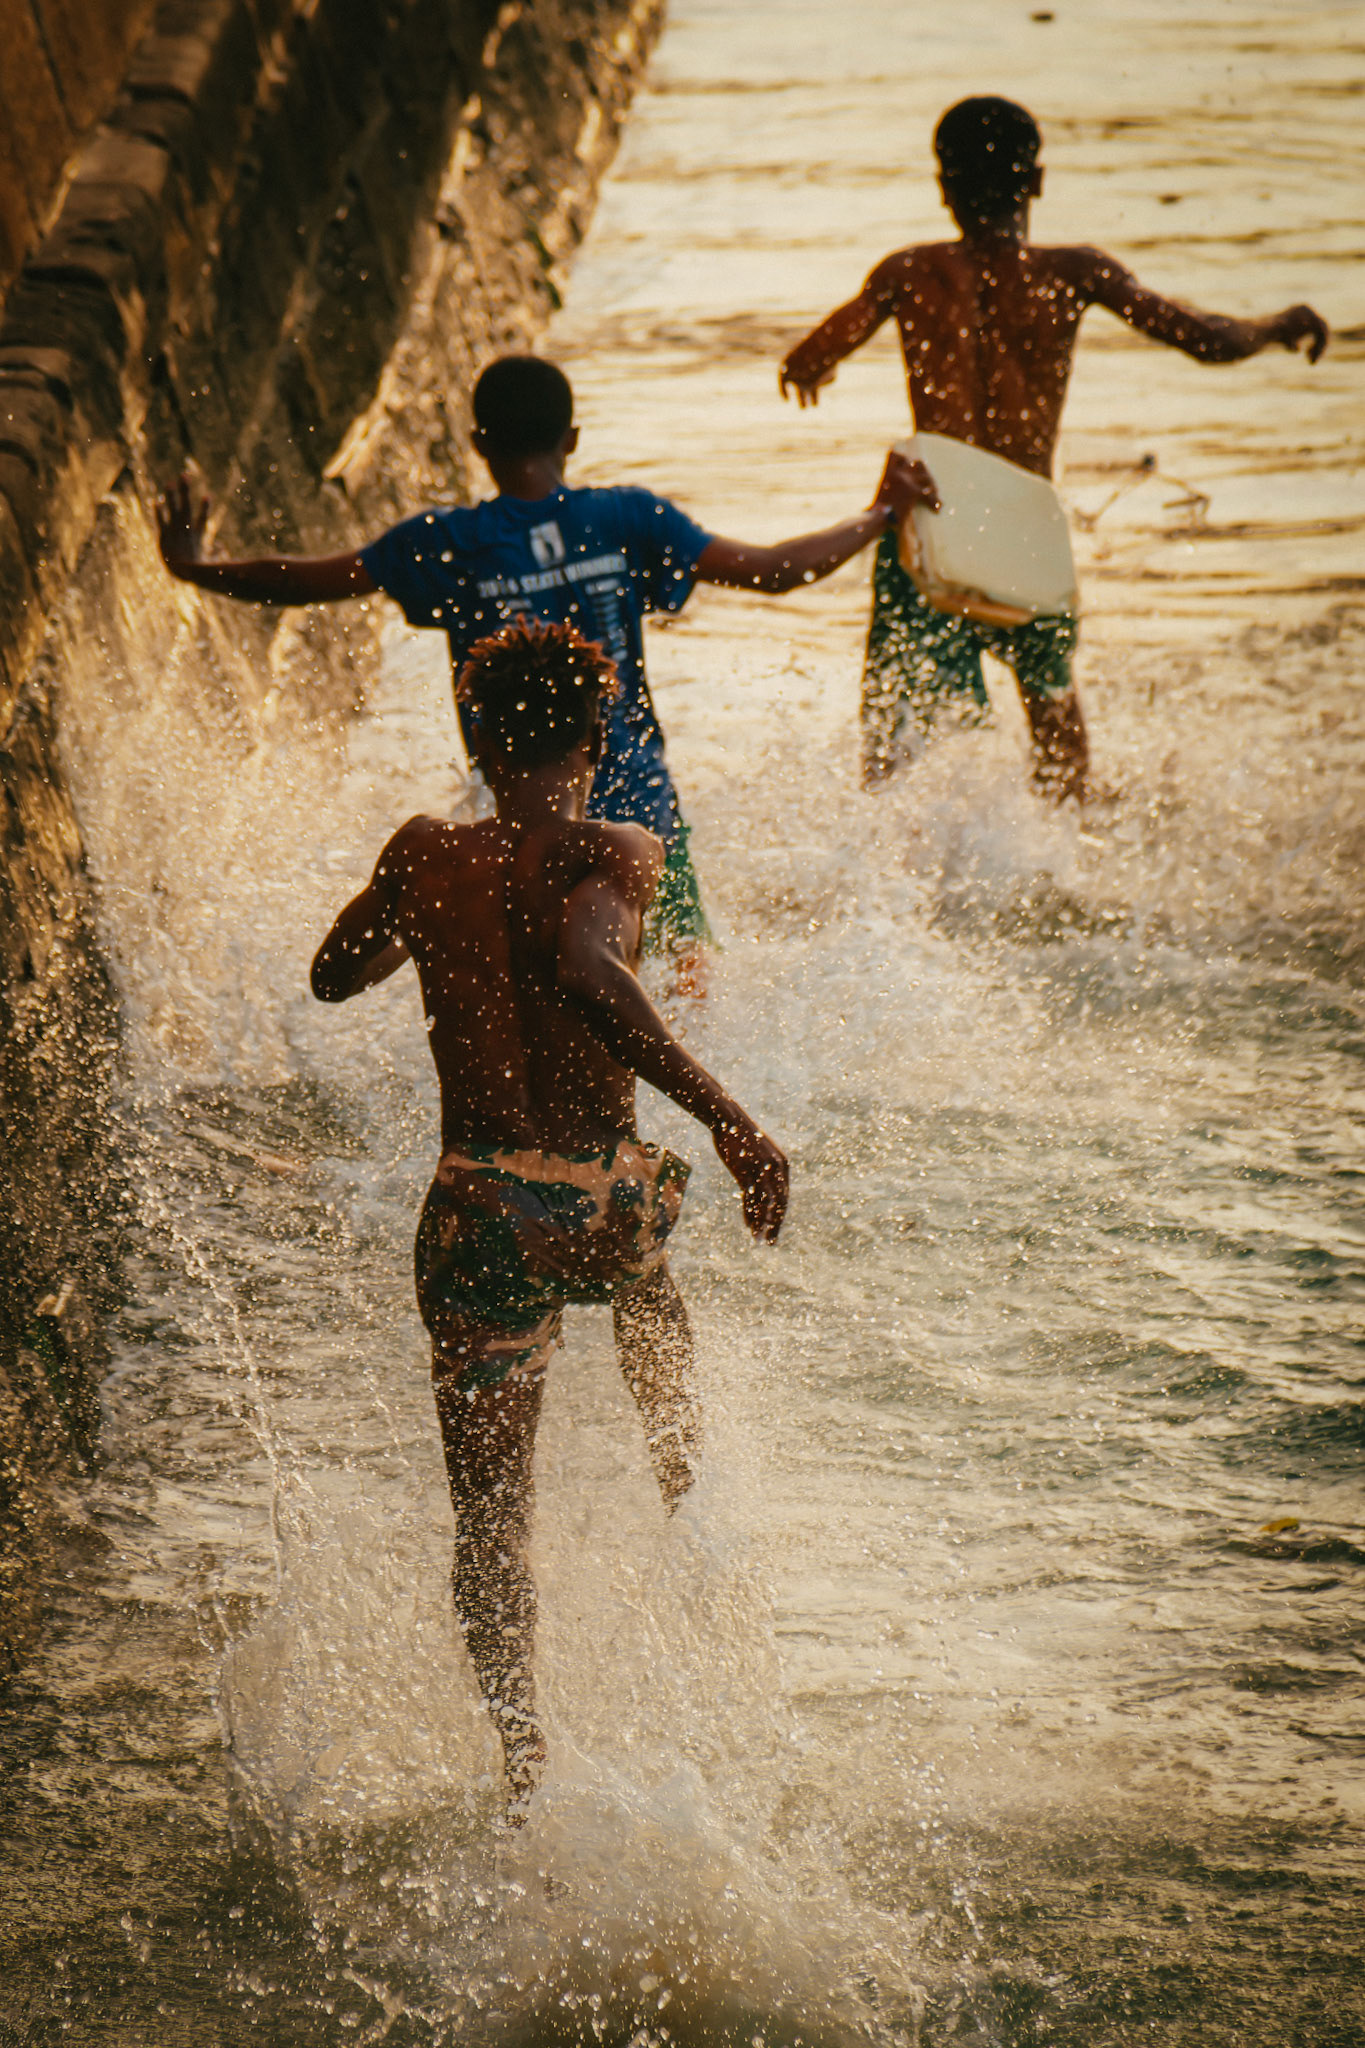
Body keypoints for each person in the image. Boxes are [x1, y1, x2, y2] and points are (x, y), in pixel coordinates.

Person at [310, 616, 789, 1818]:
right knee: (646, 1279)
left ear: (473, 734)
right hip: (592, 1195)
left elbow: (333, 973)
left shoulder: (424, 852)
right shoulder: (621, 845)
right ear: (597, 733)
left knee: (491, 1525)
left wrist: (419, 899)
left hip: (478, 1203)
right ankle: (703, 1532)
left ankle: (525, 1767)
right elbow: (588, 968)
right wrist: (732, 1121)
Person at [158, 354, 937, 988]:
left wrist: (198, 567)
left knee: (531, 980)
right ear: (570, 438)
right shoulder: (626, 519)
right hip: (636, 799)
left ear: (478, 443)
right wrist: (879, 515)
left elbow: (306, 582)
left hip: (517, 804)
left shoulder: (447, 540)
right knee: (678, 977)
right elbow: (773, 571)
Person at [779, 95, 1330, 801]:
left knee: (893, 739)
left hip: (929, 514)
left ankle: (881, 881)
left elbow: (805, 361)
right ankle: (1061, 867)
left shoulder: (908, 273)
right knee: (1054, 719)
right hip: (1022, 519)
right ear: (1034, 180)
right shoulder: (1074, 273)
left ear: (943, 185)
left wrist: (813, 368)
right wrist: (1276, 324)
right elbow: (1204, 339)